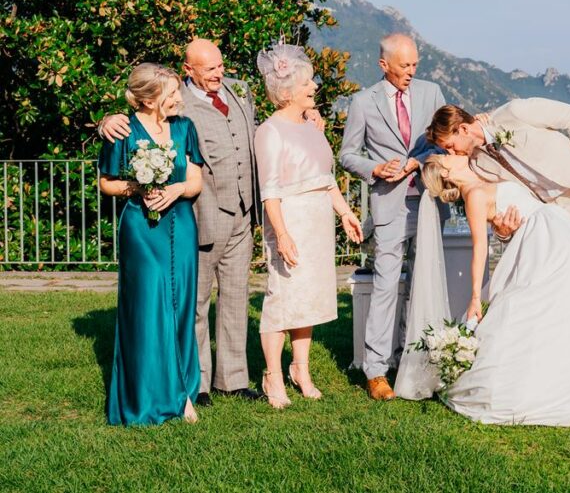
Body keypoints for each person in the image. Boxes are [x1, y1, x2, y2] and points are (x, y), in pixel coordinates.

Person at [99, 39, 320, 403]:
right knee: (196, 301)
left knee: (234, 297)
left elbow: (273, 120)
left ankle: (232, 379)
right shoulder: (176, 104)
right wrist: (106, 122)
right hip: (200, 213)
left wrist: (306, 114)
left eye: (220, 65)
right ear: (188, 71)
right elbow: (140, 123)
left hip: (243, 212)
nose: (219, 73)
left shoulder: (240, 91)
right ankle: (197, 383)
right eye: (210, 68)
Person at [418, 154, 570, 426]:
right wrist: (474, 298)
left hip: (554, 228)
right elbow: (480, 248)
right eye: (445, 155)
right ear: (445, 171)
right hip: (540, 239)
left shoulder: (482, 177)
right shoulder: (473, 196)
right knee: (538, 304)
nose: (452, 154)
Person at [253, 45, 363, 408]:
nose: (314, 86)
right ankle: (272, 375)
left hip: (317, 220)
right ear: (286, 92)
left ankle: (301, 368)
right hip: (290, 220)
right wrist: (281, 234)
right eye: (307, 82)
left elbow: (326, 179)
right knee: (282, 300)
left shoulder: (314, 127)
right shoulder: (270, 131)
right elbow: (269, 191)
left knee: (309, 301)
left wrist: (345, 213)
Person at [338, 33, 446, 401]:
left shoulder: (432, 93)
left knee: (423, 282)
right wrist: (376, 168)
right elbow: (347, 154)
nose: (412, 72)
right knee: (386, 285)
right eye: (405, 66)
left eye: (415, 64)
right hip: (388, 204)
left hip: (430, 203)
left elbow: (445, 141)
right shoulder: (362, 102)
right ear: (384, 65)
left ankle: (417, 360)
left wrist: (417, 160)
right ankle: (376, 370)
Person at [98, 63, 204, 425]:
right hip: (141, 229)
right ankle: (144, 397)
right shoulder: (122, 131)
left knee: (181, 306)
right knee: (149, 307)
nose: (178, 98)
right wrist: (137, 187)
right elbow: (107, 183)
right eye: (171, 93)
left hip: (182, 225)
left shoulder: (184, 127)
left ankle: (183, 392)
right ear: (147, 99)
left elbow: (196, 180)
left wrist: (176, 188)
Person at [425, 99, 570, 276]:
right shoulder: (476, 164)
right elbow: (495, 204)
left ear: (464, 128)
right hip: (547, 220)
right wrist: (502, 233)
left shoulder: (514, 112)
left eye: (450, 145)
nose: (451, 152)